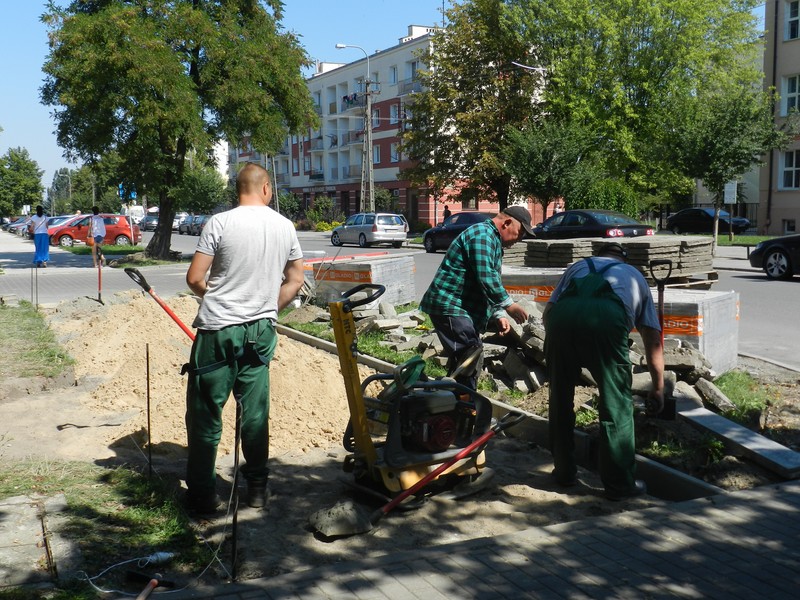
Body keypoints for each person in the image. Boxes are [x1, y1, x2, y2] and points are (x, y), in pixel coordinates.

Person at [183, 163, 305, 514]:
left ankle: (203, 496)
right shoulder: (285, 226)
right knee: (255, 413)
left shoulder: (220, 223)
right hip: (261, 331)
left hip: (219, 330)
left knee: (206, 414)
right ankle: (256, 490)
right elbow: (295, 279)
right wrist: (268, 307)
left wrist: (220, 299)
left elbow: (194, 278)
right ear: (266, 188)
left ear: (238, 189)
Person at [543, 242, 664, 500]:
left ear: (598, 256)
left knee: (560, 399)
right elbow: (652, 339)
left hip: (561, 320)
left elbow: (549, 311)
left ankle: (563, 472)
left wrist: (560, 344)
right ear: (623, 259)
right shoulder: (634, 277)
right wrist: (658, 387)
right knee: (616, 404)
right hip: (606, 322)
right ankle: (620, 485)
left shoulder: (577, 267)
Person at [420, 206, 533, 389]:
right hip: (450, 304)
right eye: (520, 233)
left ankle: (453, 402)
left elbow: (488, 283)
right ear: (507, 223)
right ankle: (463, 404)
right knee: (469, 354)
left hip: (459, 307)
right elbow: (486, 276)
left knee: (467, 358)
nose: (519, 239)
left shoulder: (492, 239)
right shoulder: (482, 235)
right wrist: (509, 306)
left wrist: (498, 314)